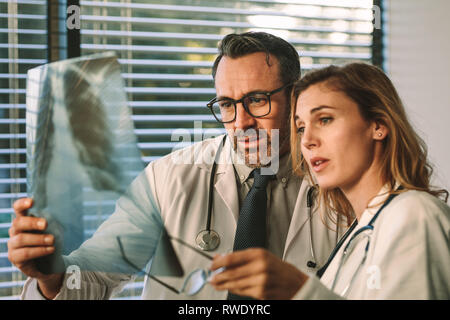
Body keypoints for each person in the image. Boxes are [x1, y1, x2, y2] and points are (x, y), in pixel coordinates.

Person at [8, 32, 342, 300]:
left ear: (296, 96)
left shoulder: (341, 179)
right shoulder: (169, 177)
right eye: (227, 105)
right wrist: (51, 276)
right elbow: (94, 274)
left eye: (257, 100)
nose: (241, 123)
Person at [210, 62, 450, 299]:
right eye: (301, 127)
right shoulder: (359, 231)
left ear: (378, 125)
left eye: (325, 119)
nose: (307, 141)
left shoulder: (414, 214)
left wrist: (301, 291)